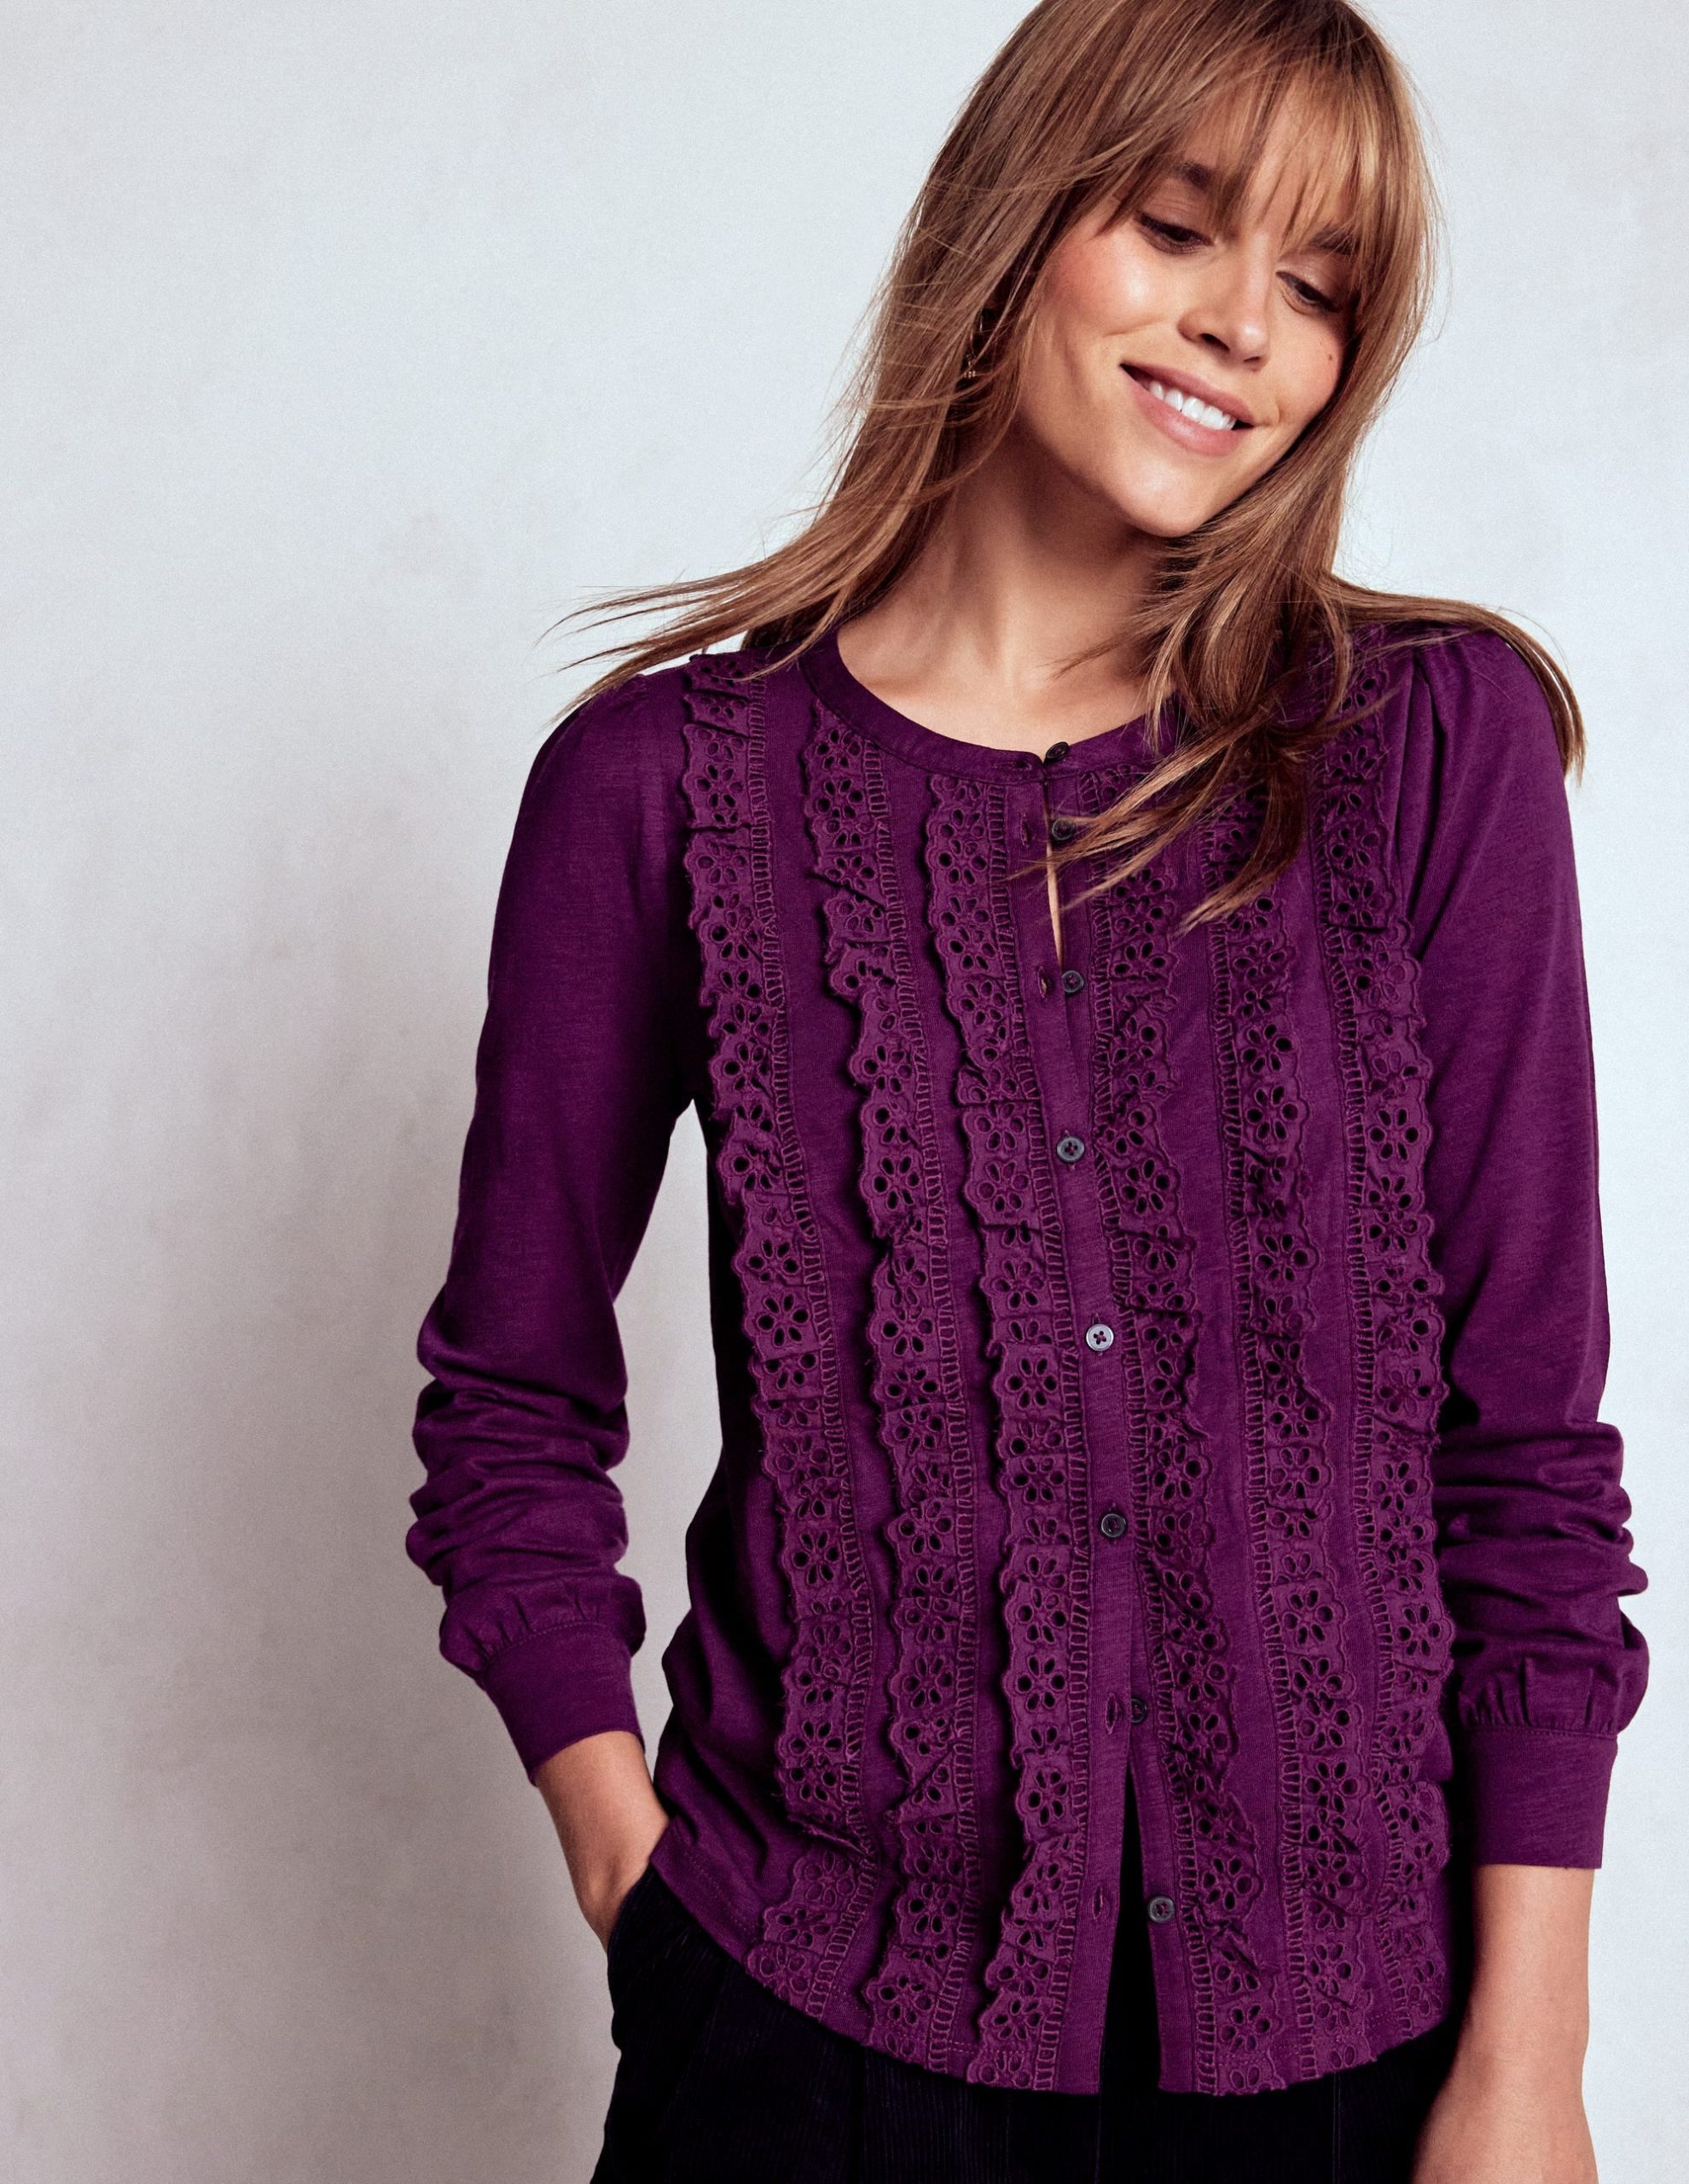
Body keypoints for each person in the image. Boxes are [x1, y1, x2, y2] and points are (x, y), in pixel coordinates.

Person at [403, 2, 1651, 2177]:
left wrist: (1527, 2059)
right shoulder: (661, 790)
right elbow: (509, 1402)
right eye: (1179, 226)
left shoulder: (1427, 750)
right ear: (1017, 218)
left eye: (1320, 287)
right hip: (800, 2033)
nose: (1245, 326)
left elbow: (1526, 1446)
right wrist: (640, 1892)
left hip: (1359, 2065)